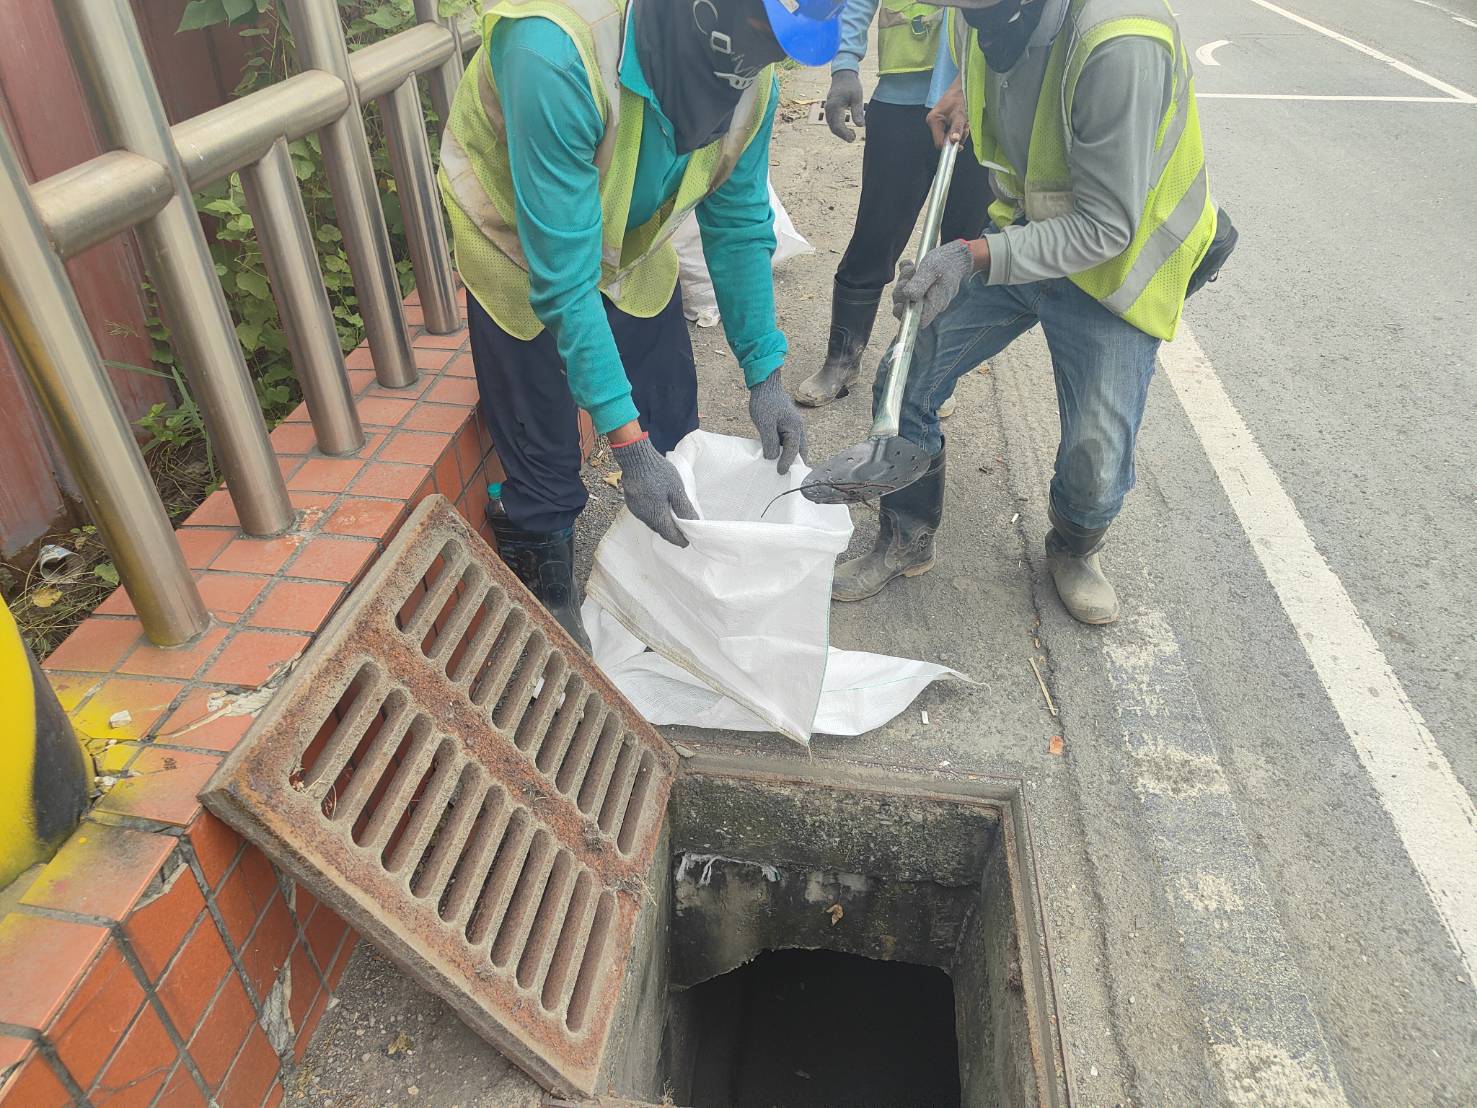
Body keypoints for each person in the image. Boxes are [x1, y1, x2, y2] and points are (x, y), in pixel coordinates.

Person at [439, 0, 841, 652]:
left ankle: (661, 567)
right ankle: (542, 569)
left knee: (669, 415)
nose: (757, 66)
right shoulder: (552, 49)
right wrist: (626, 448)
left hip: (630, 228)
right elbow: (564, 281)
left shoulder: (747, 71)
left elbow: (737, 222)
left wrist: (763, 372)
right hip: (518, 230)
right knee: (544, 445)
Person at [834, 0, 1219, 625]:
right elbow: (1000, 55)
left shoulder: (1121, 42)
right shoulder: (981, 12)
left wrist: (972, 254)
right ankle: (906, 532)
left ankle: (1074, 545)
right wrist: (966, 87)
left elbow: (1106, 226)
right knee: (910, 367)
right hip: (1026, 235)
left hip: (1113, 268)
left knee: (1095, 458)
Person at [794, 0, 992, 407]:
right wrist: (846, 64)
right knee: (875, 235)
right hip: (903, 98)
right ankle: (842, 359)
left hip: (990, 102)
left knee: (961, 245)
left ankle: (929, 370)